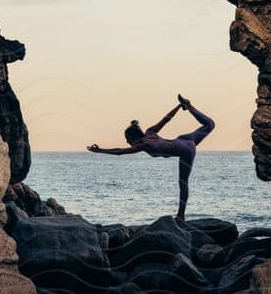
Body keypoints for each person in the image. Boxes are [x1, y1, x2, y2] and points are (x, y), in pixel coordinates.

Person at [88, 95, 216, 221]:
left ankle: (181, 216)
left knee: (183, 183)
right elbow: (166, 119)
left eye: (127, 140)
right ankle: (188, 106)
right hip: (184, 140)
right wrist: (179, 106)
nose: (127, 143)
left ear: (133, 137)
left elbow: (120, 152)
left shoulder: (145, 145)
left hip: (186, 150)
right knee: (210, 124)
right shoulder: (150, 132)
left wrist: (99, 150)